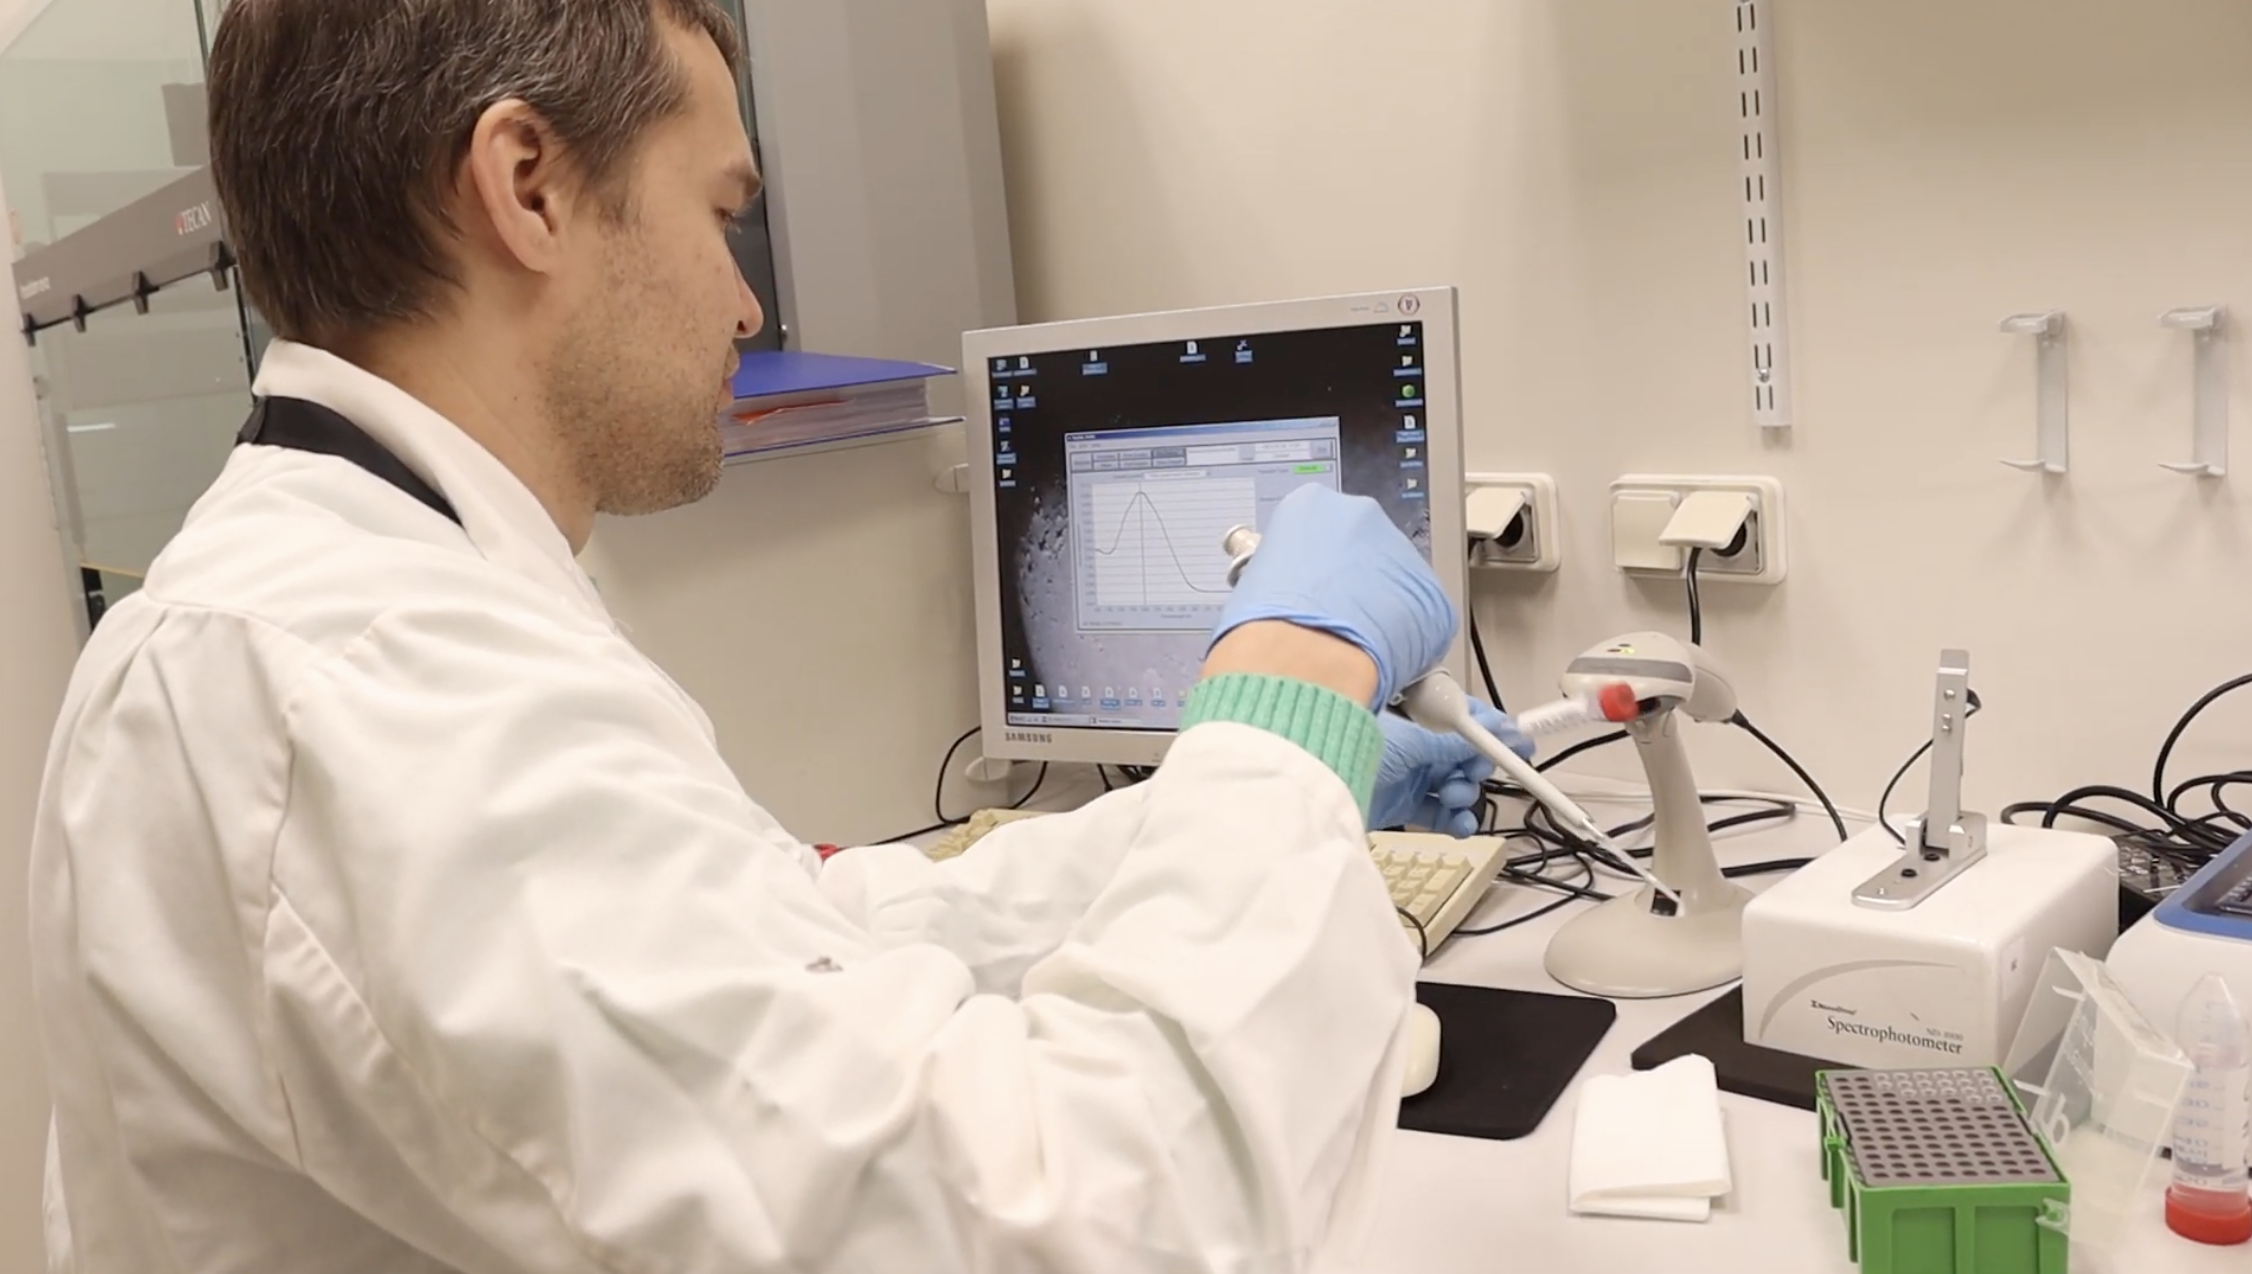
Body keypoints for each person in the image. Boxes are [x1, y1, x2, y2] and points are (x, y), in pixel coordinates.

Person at [25, 2, 1528, 1271]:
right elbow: (1085, 1212)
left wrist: (1245, 808)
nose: (745, 303)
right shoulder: (366, 684)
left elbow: (790, 951)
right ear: (528, 185)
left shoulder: (364, 599)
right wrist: (1286, 696)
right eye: (722, 209)